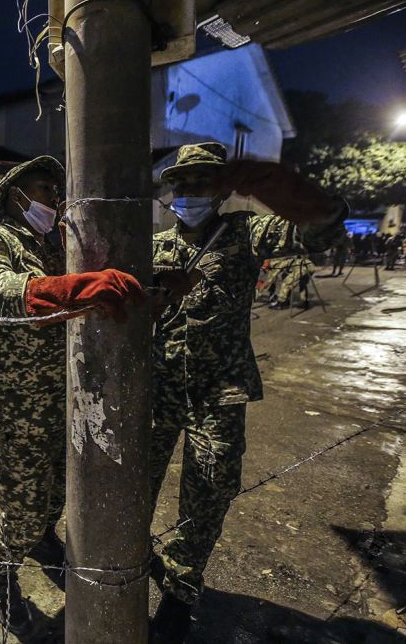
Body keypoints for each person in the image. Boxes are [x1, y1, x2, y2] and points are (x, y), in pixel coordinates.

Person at [149, 142, 348, 641]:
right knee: (135, 483)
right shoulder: (155, 246)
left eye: (202, 181)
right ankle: (131, 557)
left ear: (219, 188)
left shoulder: (244, 231)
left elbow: (317, 231)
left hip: (220, 390)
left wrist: (273, 183)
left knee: (210, 489)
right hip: (159, 388)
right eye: (183, 183)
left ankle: (181, 585)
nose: (190, 191)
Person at [0, 156, 150, 635]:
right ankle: (2, 574)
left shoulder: (49, 244)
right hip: (22, 406)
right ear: (17, 196)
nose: (54, 196)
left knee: (56, 499)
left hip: (63, 401)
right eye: (44, 189)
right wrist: (73, 287)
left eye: (54, 187)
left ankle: (42, 540)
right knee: (22, 511)